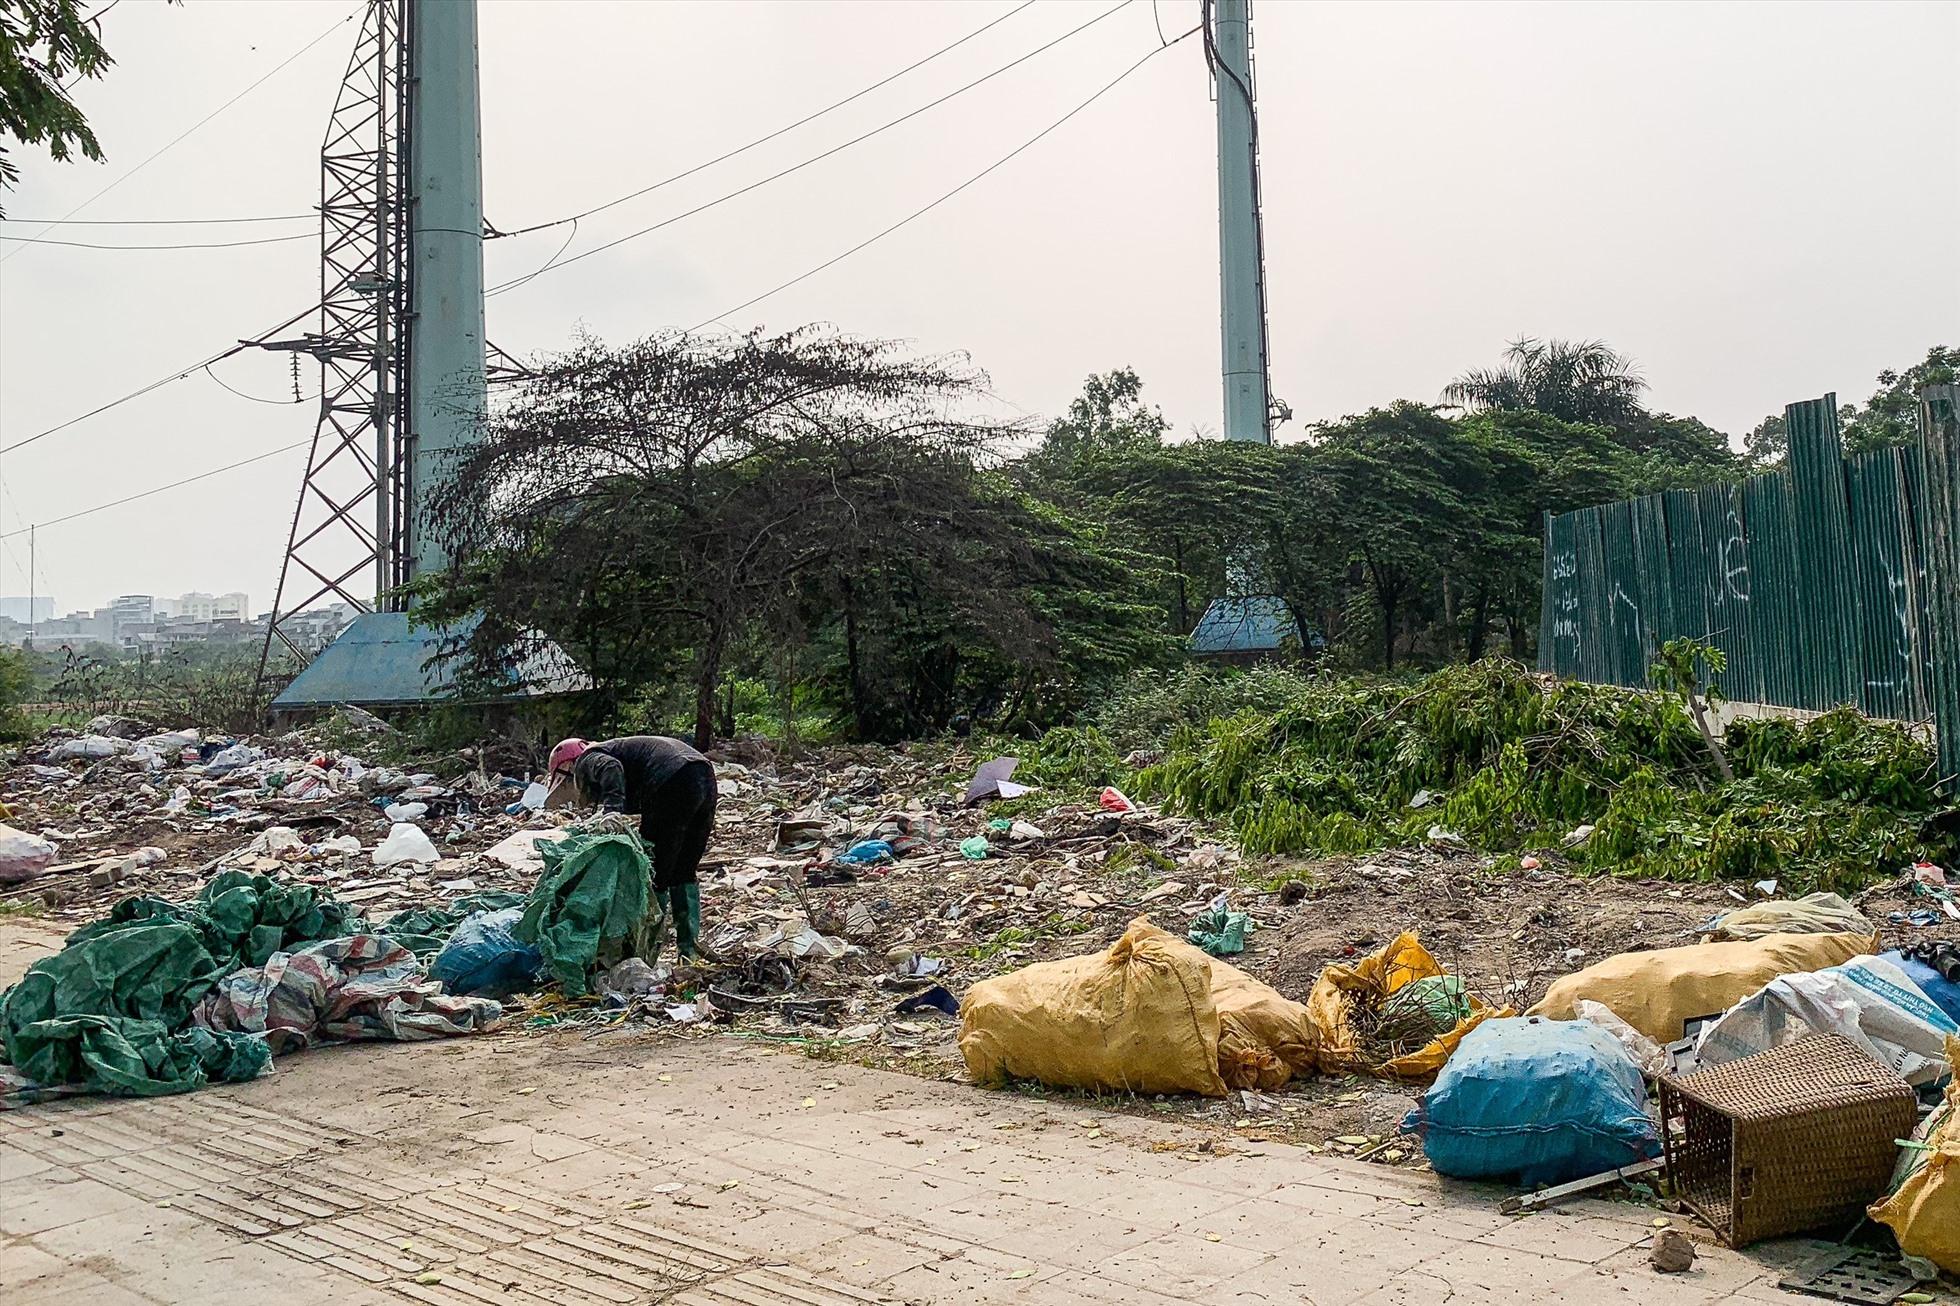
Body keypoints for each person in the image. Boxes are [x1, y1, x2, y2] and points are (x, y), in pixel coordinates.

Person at [546, 735, 716, 959]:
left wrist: (612, 810)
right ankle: (689, 950)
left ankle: (646, 952)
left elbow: (611, 767)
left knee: (656, 872)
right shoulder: (622, 751)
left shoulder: (588, 758)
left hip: (670, 779)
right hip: (703, 775)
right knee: (683, 870)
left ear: (568, 765)